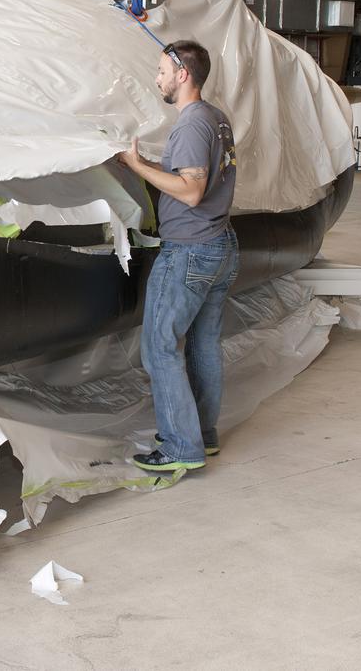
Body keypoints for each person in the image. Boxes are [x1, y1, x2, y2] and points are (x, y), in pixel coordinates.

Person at [116, 40, 239, 472]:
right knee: (202, 344)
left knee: (159, 347)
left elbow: (191, 191)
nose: (157, 79)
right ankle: (202, 437)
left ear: (181, 74)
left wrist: (136, 168)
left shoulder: (190, 124)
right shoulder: (215, 118)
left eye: (161, 71)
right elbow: (190, 174)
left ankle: (179, 448)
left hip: (190, 249)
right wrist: (147, 162)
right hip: (220, 244)